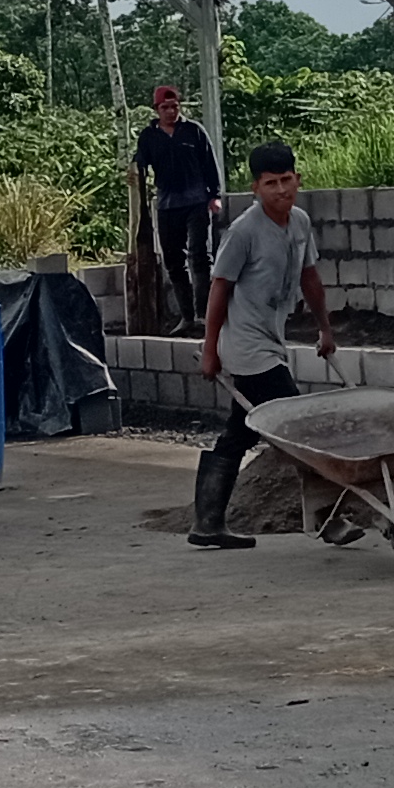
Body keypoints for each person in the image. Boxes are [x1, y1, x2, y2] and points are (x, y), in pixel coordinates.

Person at [187, 139, 334, 549]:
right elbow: (219, 288)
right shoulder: (244, 232)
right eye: (270, 183)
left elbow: (309, 278)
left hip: (272, 340)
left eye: (286, 180)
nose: (280, 190)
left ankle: (207, 523)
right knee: (297, 425)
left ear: (298, 179)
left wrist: (325, 329)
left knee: (239, 432)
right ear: (255, 188)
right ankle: (328, 517)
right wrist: (211, 348)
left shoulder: (299, 223)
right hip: (248, 348)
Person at [131, 85, 223, 334]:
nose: (171, 111)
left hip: (196, 202)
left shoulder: (194, 131)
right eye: (166, 108)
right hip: (167, 205)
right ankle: (187, 317)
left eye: (175, 107)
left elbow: (210, 163)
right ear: (157, 110)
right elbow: (139, 166)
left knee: (200, 257)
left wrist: (214, 195)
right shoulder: (149, 137)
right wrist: (134, 175)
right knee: (173, 261)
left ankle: (204, 315)